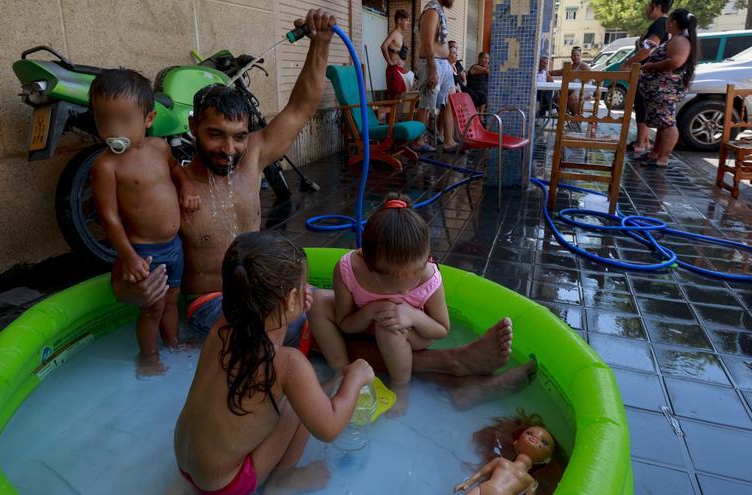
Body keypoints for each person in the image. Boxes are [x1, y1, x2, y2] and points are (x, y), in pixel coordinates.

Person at [112, 10, 515, 396]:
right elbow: (128, 272)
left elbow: (301, 108)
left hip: (264, 289)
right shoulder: (171, 185)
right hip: (212, 305)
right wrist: (139, 293)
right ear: (194, 127)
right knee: (307, 326)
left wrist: (319, 43)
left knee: (328, 310)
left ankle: (440, 369)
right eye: (215, 135)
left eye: (237, 135)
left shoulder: (249, 159)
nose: (228, 148)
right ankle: (454, 364)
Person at [174, 231, 376, 495]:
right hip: (226, 486)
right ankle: (284, 480)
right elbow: (329, 428)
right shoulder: (289, 364)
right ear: (290, 299)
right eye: (303, 287)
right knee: (298, 401)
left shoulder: (221, 327)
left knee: (289, 392)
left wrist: (290, 311)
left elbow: (266, 336)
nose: (308, 291)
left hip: (185, 462)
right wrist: (355, 377)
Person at [89, 69, 199, 376]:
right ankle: (148, 357)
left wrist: (187, 188)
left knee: (173, 298)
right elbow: (109, 218)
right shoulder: (106, 166)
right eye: (104, 120)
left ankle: (173, 342)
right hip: (145, 252)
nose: (113, 129)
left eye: (123, 119)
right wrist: (129, 256)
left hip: (174, 246)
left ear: (148, 119)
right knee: (152, 306)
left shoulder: (159, 148)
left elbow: (177, 172)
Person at [331, 196, 450, 416]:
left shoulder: (429, 277)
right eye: (395, 286)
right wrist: (369, 312)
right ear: (368, 265)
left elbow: (441, 330)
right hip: (365, 328)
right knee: (319, 302)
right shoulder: (348, 270)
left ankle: (401, 385)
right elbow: (345, 324)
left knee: (389, 328)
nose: (405, 293)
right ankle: (340, 370)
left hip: (415, 334)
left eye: (412, 282)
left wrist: (412, 316)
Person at [636, 9, 698, 167]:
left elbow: (676, 61)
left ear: (674, 22)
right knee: (661, 124)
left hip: (665, 90)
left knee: (667, 123)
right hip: (658, 91)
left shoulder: (680, 41)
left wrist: (650, 66)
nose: (666, 23)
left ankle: (662, 159)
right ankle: (654, 154)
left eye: (668, 20)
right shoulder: (677, 39)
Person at [453, 410, 563, 495]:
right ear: (515, 443)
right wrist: (467, 483)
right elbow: (482, 473)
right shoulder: (500, 461)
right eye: (529, 433)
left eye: (544, 442)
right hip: (481, 489)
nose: (535, 438)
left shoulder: (531, 481)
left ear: (546, 459)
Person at [622, 0, 673, 153]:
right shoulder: (660, 24)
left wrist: (628, 63)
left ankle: (641, 143)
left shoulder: (660, 23)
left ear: (657, 6)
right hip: (646, 72)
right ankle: (643, 141)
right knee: (640, 104)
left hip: (648, 73)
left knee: (642, 105)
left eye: (648, 6)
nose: (646, 9)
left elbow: (649, 48)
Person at [412, 0, 458, 153]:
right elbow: (427, 44)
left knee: (449, 101)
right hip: (432, 64)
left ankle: (449, 141)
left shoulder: (440, 11)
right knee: (426, 103)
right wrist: (432, 69)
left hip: (444, 64)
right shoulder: (431, 11)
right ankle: (418, 140)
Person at [549, 47, 591, 115]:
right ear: (571, 57)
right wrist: (547, 72)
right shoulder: (569, 66)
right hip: (571, 88)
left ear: (581, 56)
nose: (576, 57)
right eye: (574, 55)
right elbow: (558, 72)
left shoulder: (584, 66)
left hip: (584, 89)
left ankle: (575, 120)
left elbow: (589, 79)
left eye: (578, 55)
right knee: (557, 96)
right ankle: (564, 116)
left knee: (573, 98)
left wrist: (578, 88)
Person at [382, 9, 411, 101]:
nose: (408, 23)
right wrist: (390, 62)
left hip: (399, 70)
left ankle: (395, 116)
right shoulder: (394, 33)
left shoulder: (400, 35)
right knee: (394, 99)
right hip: (393, 70)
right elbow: (384, 46)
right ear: (399, 21)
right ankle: (391, 116)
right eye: (406, 20)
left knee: (400, 98)